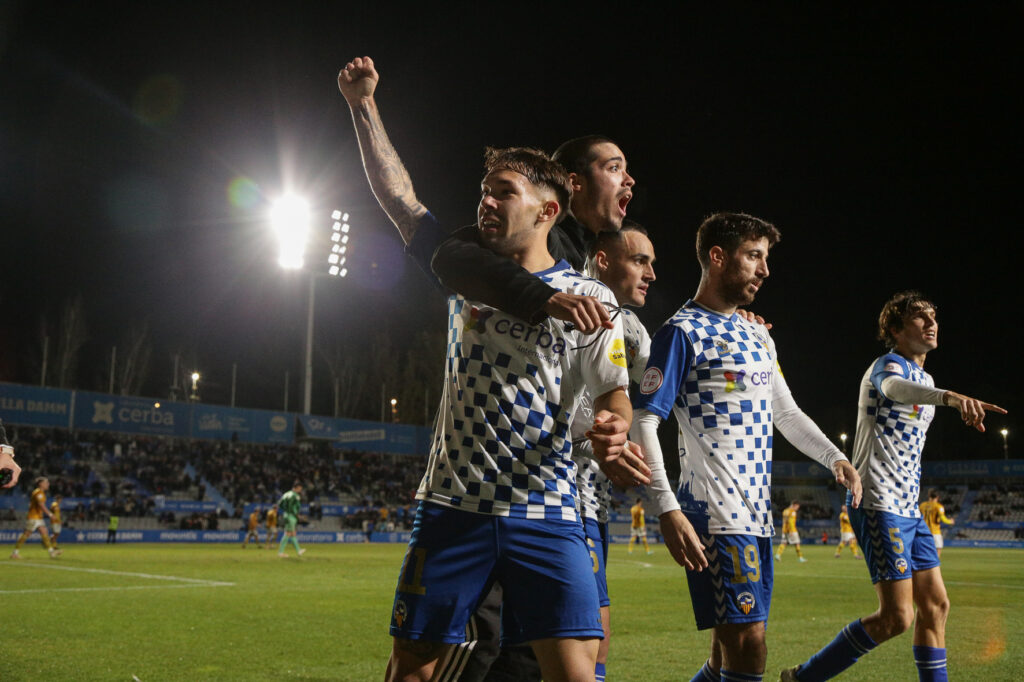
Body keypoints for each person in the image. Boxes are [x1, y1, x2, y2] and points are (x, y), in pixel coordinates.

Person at [338, 56, 654, 682]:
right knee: (412, 671)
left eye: (503, 192)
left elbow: (613, 394)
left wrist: (615, 434)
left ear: (547, 210)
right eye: (485, 190)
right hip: (455, 505)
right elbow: (400, 199)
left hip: (550, 507)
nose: (486, 202)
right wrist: (363, 106)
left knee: (576, 672)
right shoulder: (466, 267)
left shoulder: (598, 305)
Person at [630, 212, 862, 682]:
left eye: (765, 258)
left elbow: (787, 414)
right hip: (715, 514)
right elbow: (644, 420)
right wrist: (666, 508)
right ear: (718, 258)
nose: (765, 270)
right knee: (749, 647)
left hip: (757, 515)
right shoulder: (682, 333)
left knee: (725, 656)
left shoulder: (757, 333)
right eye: (753, 256)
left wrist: (835, 457)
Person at [779, 290, 1006, 682]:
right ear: (897, 329)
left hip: (909, 508)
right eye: (920, 317)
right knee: (897, 617)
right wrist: (951, 398)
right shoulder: (886, 366)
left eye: (934, 316)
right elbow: (893, 390)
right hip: (878, 502)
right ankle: (803, 678)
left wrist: (944, 396)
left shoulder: (927, 378)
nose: (931, 323)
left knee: (935, 607)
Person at [11, 477, 62, 559]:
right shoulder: (38, 493)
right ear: (40, 484)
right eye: (46, 483)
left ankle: (51, 552)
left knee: (44, 532)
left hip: (38, 517)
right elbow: (41, 505)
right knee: (26, 534)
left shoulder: (40, 492)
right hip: (33, 517)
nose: (48, 484)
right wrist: (50, 514)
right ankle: (14, 553)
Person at [919, 489, 954, 558]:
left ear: (929, 496)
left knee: (925, 551)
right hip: (935, 532)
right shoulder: (938, 506)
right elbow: (943, 519)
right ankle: (935, 567)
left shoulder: (922, 505)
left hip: (924, 531)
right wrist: (950, 521)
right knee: (938, 550)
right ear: (937, 497)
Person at [277, 482, 305, 558]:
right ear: (297, 487)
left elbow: (280, 504)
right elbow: (292, 507)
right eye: (300, 489)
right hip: (291, 515)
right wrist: (295, 514)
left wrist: (285, 511)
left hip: (287, 514)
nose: (300, 490)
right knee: (288, 533)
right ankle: (280, 552)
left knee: (293, 533)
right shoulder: (294, 495)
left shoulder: (286, 494)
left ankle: (298, 550)